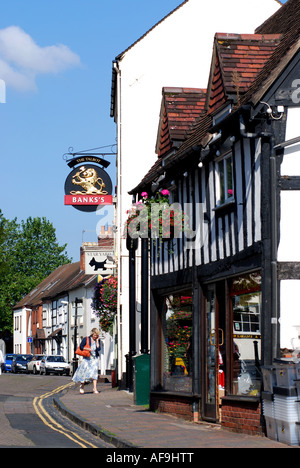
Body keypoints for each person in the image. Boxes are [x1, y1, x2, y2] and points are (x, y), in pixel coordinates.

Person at [72, 328, 101, 394]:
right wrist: (88, 349)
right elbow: (81, 347)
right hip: (87, 359)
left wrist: (97, 341)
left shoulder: (97, 340)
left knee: (94, 374)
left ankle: (95, 388)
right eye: (94, 335)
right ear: (92, 334)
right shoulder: (86, 339)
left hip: (94, 359)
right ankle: (82, 387)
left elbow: (98, 349)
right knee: (84, 374)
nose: (95, 337)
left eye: (96, 335)